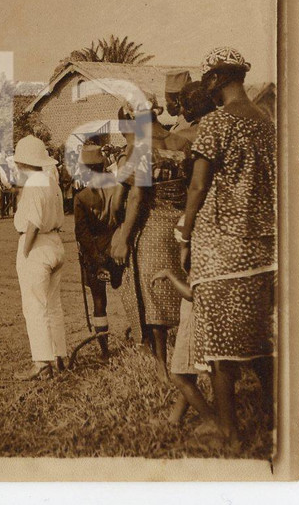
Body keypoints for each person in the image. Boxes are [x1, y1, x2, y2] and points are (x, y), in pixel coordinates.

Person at [177, 47, 276, 450]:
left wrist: (185, 232)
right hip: (263, 252)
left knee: (220, 351)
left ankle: (230, 434)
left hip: (221, 252)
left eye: (209, 83)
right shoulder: (267, 123)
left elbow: (198, 186)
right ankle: (274, 422)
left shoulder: (217, 123)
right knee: (259, 344)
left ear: (216, 81)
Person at [110, 93, 190, 383]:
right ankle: (188, 357)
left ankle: (163, 368)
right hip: (181, 225)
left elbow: (136, 196)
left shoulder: (140, 148)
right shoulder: (181, 141)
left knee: (154, 296)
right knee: (181, 292)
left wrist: (123, 235)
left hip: (153, 226)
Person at [11, 135, 67, 380]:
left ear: (23, 163)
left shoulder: (33, 184)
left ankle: (42, 361)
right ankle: (59, 356)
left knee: (34, 306)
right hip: (55, 242)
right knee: (52, 305)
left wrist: (25, 252)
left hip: (37, 244)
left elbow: (33, 223)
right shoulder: (50, 181)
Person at [73, 144, 122, 360]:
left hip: (95, 253)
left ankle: (104, 350)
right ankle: (143, 339)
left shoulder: (81, 197)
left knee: (99, 301)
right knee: (129, 293)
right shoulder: (119, 188)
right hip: (117, 247)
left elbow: (82, 234)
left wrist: (96, 257)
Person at [152, 262, 213, 428]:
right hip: (199, 316)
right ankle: (175, 418)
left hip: (194, 320)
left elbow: (191, 293)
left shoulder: (200, 253)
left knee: (179, 376)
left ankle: (211, 421)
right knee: (188, 373)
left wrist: (170, 275)